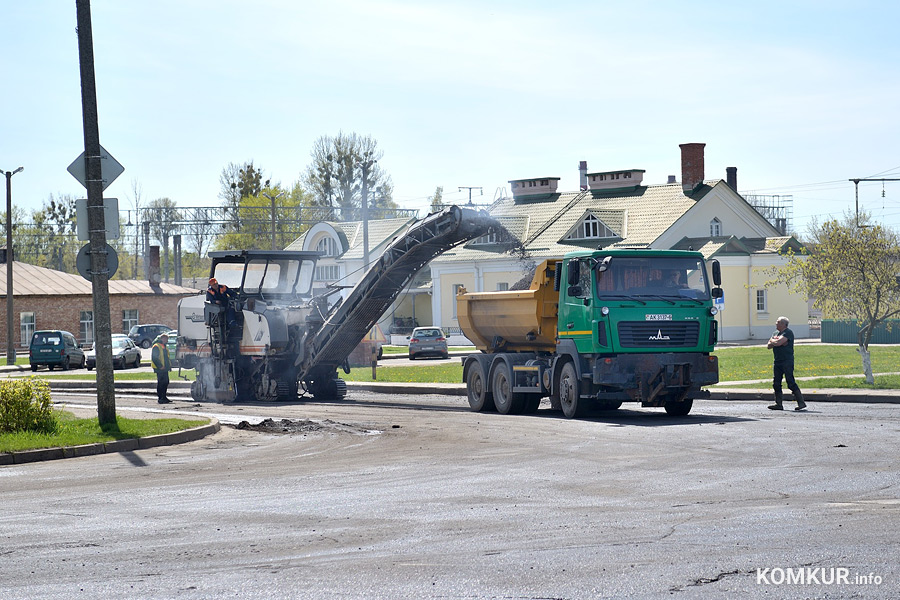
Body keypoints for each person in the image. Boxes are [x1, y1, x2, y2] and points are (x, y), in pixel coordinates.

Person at [767, 316, 806, 411]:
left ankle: (801, 402)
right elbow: (769, 345)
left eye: (778, 322)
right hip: (777, 361)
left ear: (783, 324)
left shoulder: (788, 332)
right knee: (776, 383)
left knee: (790, 382)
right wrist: (775, 341)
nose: (776, 323)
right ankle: (778, 404)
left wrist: (774, 341)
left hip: (787, 361)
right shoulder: (775, 333)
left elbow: (778, 343)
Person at [151, 333, 172, 404]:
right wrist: (160, 366)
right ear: (162, 339)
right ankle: (160, 398)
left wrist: (168, 366)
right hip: (159, 368)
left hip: (165, 368)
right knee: (161, 383)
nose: (167, 341)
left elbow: (166, 357)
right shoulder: (156, 346)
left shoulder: (164, 346)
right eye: (166, 339)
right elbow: (154, 358)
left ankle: (164, 397)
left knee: (166, 382)